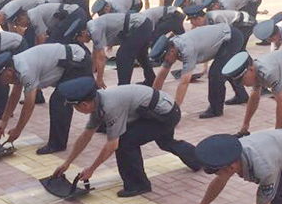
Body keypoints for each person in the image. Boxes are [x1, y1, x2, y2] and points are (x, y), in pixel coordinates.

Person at [53, 77, 201, 197]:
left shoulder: (110, 106)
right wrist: (67, 163)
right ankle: (198, 159)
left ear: (84, 105)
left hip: (164, 115)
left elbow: (112, 146)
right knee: (166, 142)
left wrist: (91, 169)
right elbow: (86, 135)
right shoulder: (98, 102)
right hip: (160, 110)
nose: (75, 110)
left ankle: (138, 185)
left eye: (75, 107)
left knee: (125, 143)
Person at [0, 42, 92, 154]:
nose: (5, 83)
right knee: (82, 97)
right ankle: (101, 120)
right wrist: (4, 122)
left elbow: (29, 104)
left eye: (4, 79)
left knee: (59, 100)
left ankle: (57, 145)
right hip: (69, 63)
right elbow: (14, 95)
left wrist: (17, 131)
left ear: (9, 71)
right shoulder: (16, 66)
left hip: (77, 62)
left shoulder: (25, 70)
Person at [151, 23, 246, 118]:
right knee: (223, 67)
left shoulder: (187, 50)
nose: (166, 62)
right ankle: (242, 96)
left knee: (215, 73)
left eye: (165, 59)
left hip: (231, 39)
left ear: (171, 52)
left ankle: (216, 110)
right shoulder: (170, 46)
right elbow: (161, 76)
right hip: (224, 36)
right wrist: (152, 101)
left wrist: (174, 111)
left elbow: (184, 82)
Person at [86, 13, 155, 87]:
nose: (83, 43)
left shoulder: (94, 30)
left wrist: (99, 79)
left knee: (123, 56)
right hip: (144, 23)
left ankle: (123, 87)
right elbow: (95, 55)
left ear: (83, 33)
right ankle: (151, 80)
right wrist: (90, 75)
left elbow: (101, 58)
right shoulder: (91, 26)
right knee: (141, 55)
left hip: (139, 25)